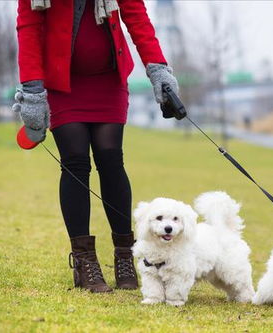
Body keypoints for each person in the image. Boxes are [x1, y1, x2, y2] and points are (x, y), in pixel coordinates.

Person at [13, 0, 179, 293]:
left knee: (111, 158)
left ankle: (125, 254)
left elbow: (137, 18)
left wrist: (158, 69)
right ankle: (84, 262)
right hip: (62, 82)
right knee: (75, 161)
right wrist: (32, 89)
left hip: (108, 79)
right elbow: (29, 27)